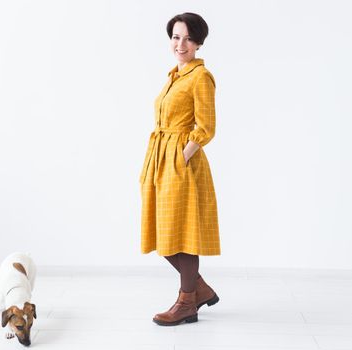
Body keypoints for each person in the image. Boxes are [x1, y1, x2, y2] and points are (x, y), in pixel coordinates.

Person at [139, 12, 221, 326]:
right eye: (175, 37)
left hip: (179, 163)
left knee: (180, 233)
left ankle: (187, 301)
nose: (180, 44)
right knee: (163, 231)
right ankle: (197, 289)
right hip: (161, 158)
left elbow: (207, 127)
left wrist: (182, 157)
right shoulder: (175, 75)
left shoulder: (201, 77)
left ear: (198, 41)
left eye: (187, 37)